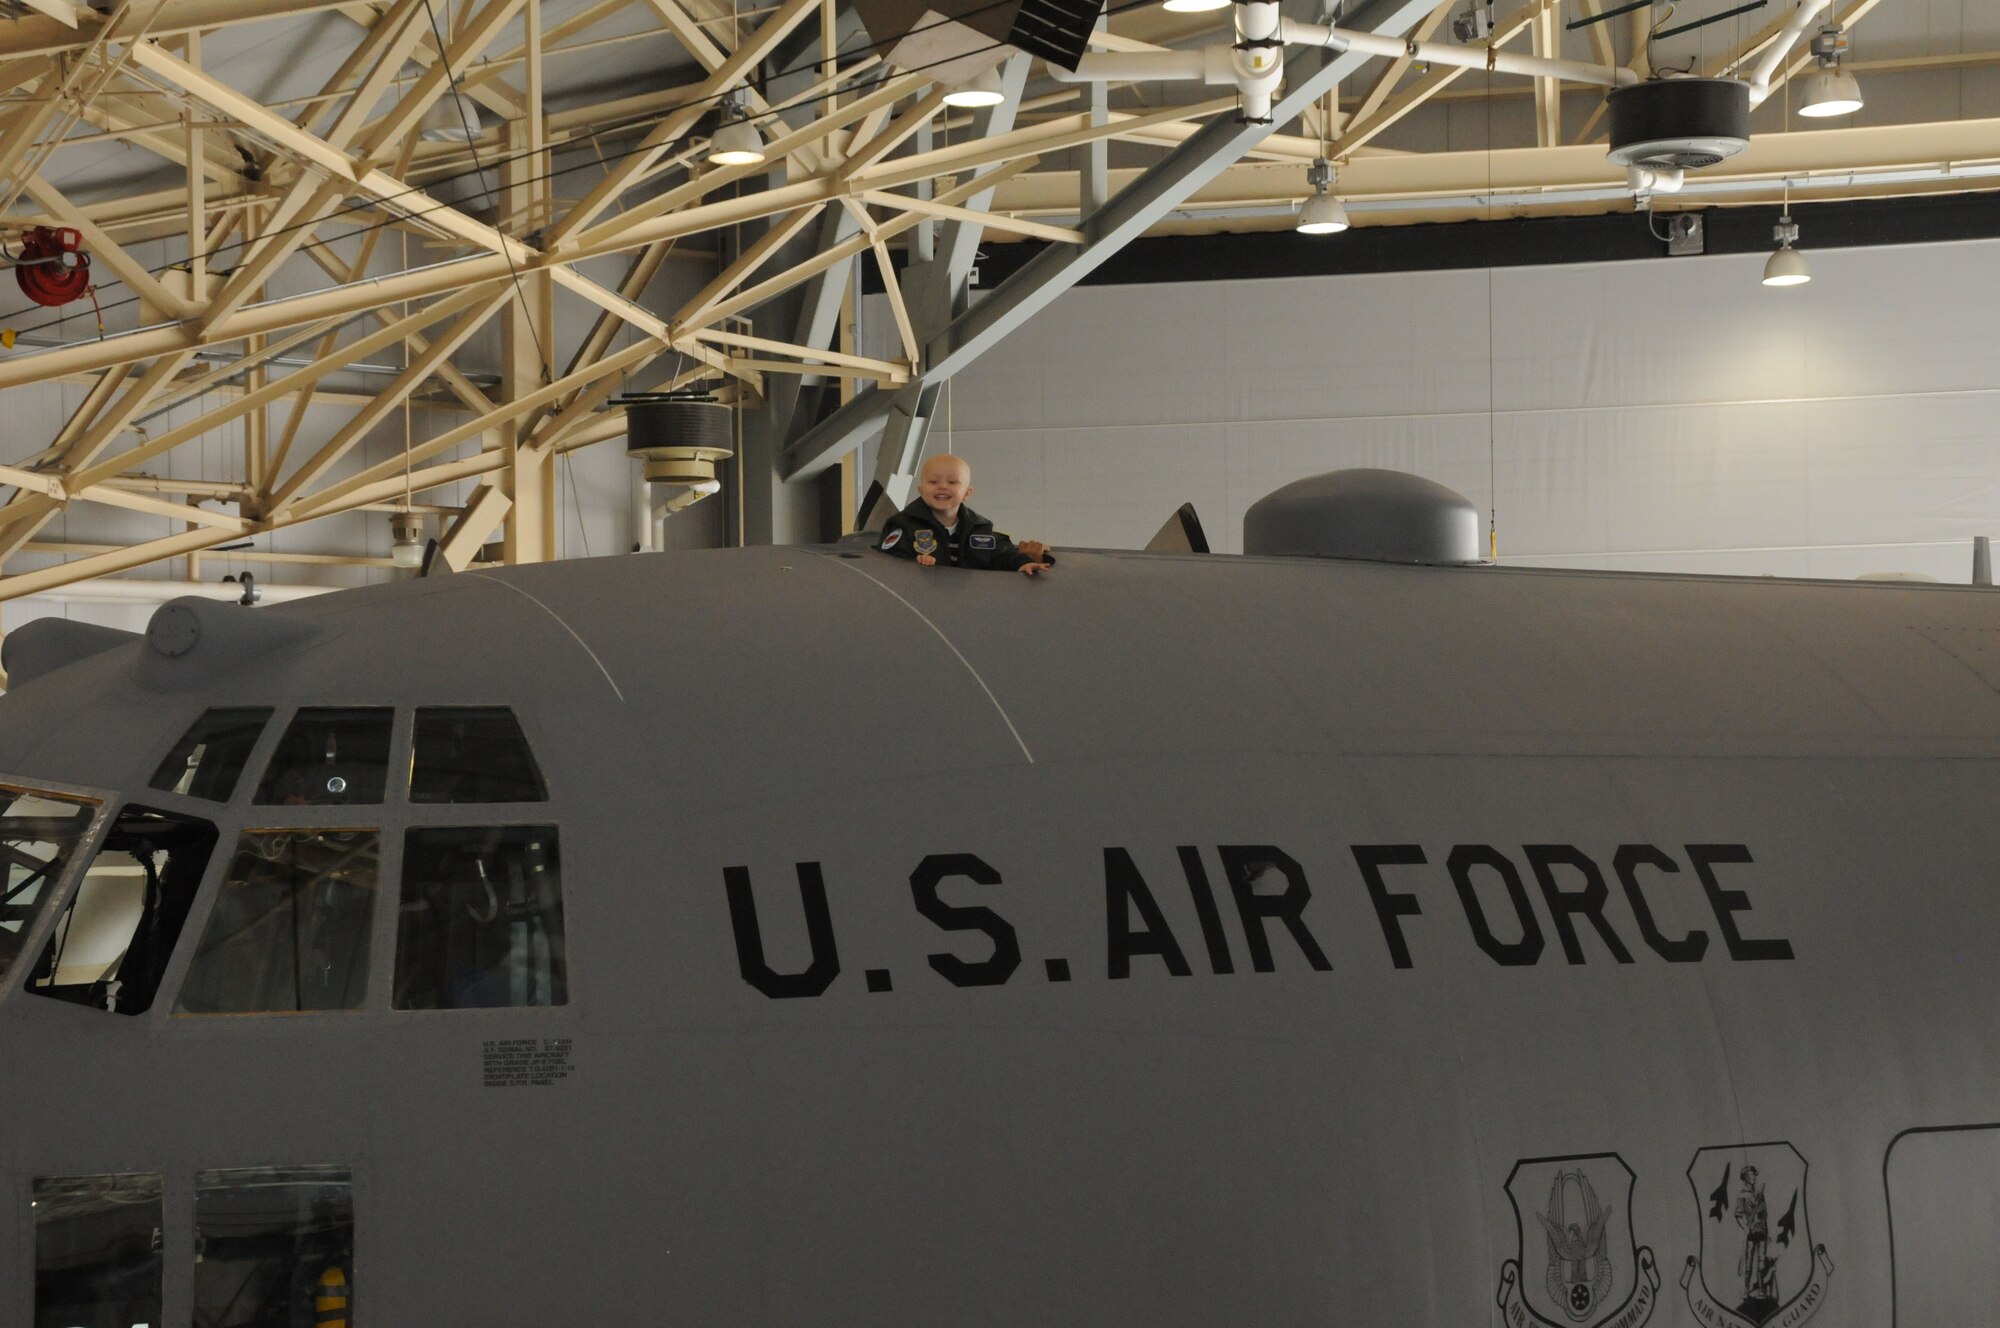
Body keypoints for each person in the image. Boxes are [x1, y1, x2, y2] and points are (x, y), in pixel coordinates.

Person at [876, 454, 1054, 575]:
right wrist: (914, 561)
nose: (943, 486)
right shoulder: (902, 525)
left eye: (952, 482)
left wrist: (1023, 563)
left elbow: (1002, 555)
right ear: (921, 490)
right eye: (933, 481)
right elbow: (888, 560)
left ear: (967, 493)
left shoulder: (980, 529)